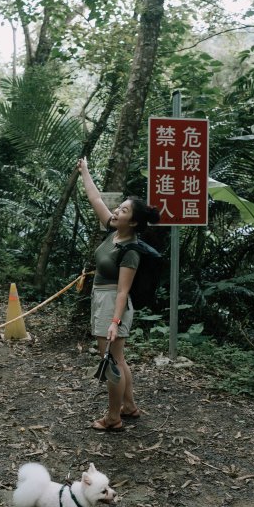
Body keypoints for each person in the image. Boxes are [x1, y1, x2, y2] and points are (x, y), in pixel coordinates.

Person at [77, 157, 160, 432]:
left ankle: (113, 417)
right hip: (103, 299)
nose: (116, 211)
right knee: (119, 358)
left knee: (111, 360)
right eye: (118, 207)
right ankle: (129, 406)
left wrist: (114, 322)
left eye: (122, 210)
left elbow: (123, 291)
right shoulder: (114, 232)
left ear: (133, 221)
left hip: (113, 302)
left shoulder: (131, 250)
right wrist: (85, 171)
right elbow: (95, 199)